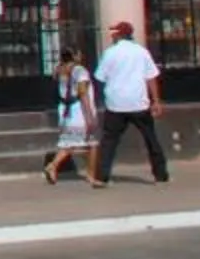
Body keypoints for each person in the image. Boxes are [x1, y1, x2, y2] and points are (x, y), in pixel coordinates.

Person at [89, 20, 168, 186]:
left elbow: (100, 77)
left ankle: (101, 177)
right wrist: (156, 101)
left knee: (109, 141)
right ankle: (161, 175)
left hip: (116, 104)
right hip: (139, 102)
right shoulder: (142, 52)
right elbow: (151, 77)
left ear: (118, 35)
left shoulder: (110, 53)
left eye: (114, 33)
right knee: (150, 138)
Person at [44, 49, 99, 186]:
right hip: (78, 110)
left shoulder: (59, 69)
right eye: (79, 53)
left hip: (65, 109)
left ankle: (54, 166)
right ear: (74, 56)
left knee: (70, 142)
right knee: (91, 143)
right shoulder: (80, 71)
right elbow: (82, 93)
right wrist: (89, 116)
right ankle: (90, 175)